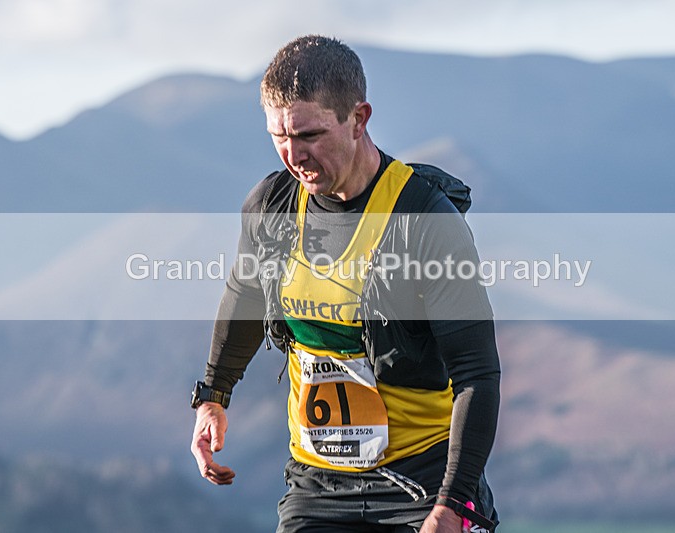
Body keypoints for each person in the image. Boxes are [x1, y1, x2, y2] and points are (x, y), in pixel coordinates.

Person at [190, 35, 501, 533]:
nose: (294, 155)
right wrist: (213, 395)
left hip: (424, 485)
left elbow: (477, 372)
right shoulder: (271, 208)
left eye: (310, 135)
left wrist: (455, 505)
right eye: (279, 137)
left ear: (359, 119)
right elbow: (245, 294)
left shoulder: (422, 218)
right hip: (317, 486)